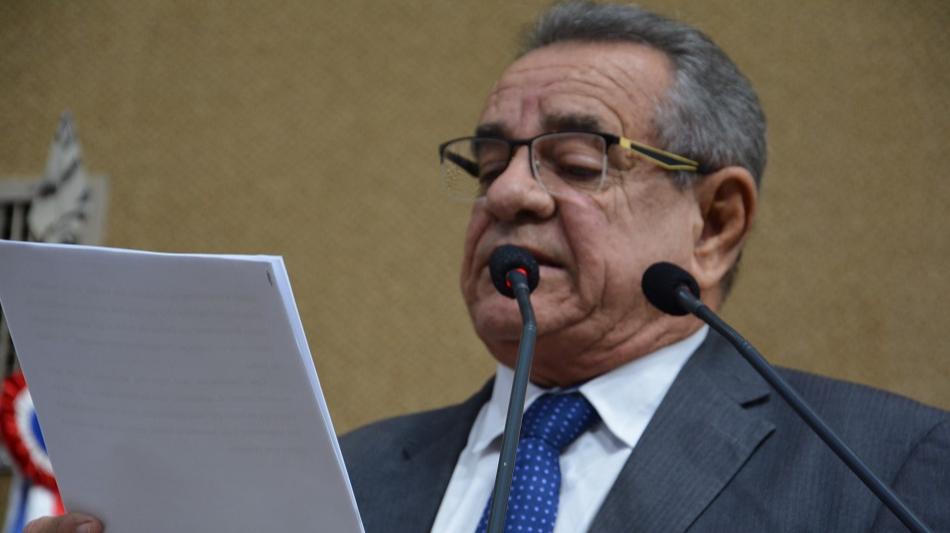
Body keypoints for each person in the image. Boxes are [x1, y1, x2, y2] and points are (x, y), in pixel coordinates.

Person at [26, 2, 950, 532]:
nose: (509, 193)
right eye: (489, 161)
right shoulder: (344, 479)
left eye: (577, 161)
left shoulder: (884, 468)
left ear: (714, 222)